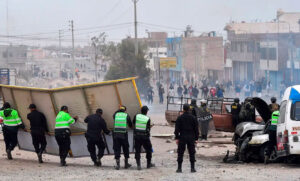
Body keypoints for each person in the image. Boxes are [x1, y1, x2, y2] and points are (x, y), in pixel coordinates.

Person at [175, 104, 199, 173]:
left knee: (180, 152)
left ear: (183, 109)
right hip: (191, 137)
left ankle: (179, 168)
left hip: (182, 136)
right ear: (189, 109)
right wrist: (196, 138)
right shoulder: (193, 118)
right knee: (192, 152)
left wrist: (177, 138)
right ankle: (192, 168)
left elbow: (177, 129)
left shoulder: (180, 118)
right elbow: (196, 129)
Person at [133, 106, 155, 170]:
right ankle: (148, 164)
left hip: (137, 136)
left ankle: (138, 165)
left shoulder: (136, 116)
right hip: (145, 137)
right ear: (146, 111)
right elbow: (148, 129)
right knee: (149, 149)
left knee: (137, 150)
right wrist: (151, 126)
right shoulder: (147, 118)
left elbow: (134, 123)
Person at [113, 106, 133, 170]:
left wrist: (118, 110)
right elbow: (130, 124)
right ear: (125, 110)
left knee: (117, 149)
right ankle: (126, 164)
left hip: (116, 134)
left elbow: (113, 115)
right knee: (125, 148)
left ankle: (118, 165)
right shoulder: (126, 115)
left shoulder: (116, 114)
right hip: (123, 135)